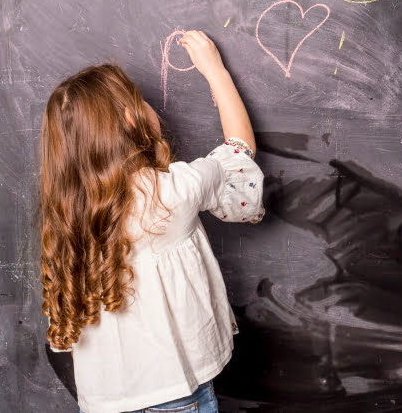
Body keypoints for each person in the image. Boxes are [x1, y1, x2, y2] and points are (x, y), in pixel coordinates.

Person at [38, 31, 264, 413]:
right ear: (130, 118)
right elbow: (239, 154)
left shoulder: (67, 216)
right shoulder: (172, 191)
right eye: (140, 100)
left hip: (102, 403)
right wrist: (216, 73)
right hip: (175, 398)